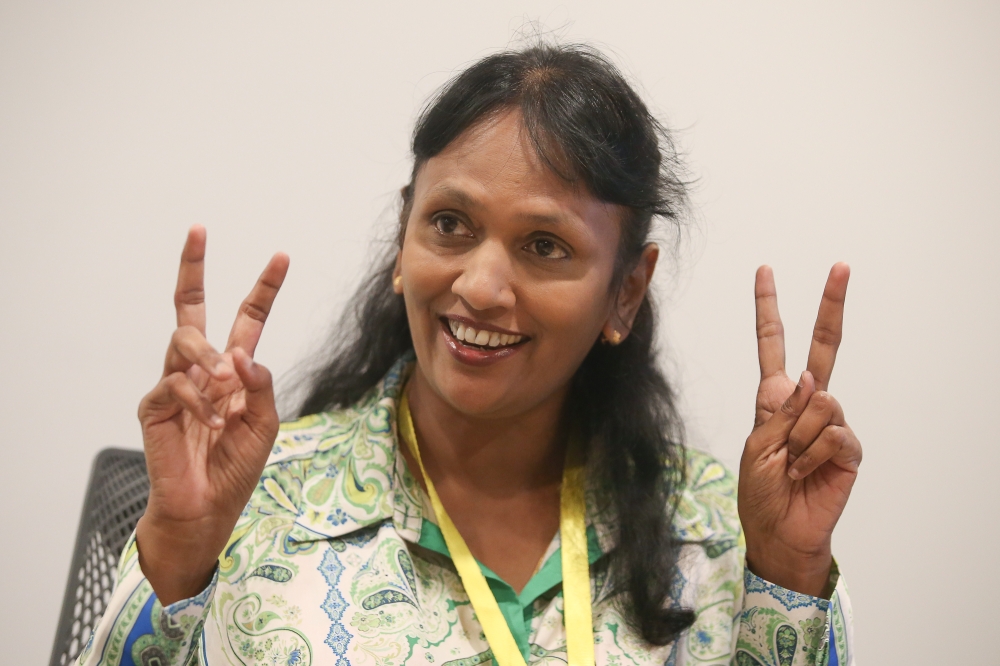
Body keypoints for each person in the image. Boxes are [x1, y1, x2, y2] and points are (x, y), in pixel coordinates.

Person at [79, 43, 861, 666]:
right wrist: (180, 548)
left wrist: (788, 571)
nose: (482, 286)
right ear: (402, 236)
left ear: (626, 291)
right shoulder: (255, 504)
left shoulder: (723, 532)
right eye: (450, 224)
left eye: (544, 244)